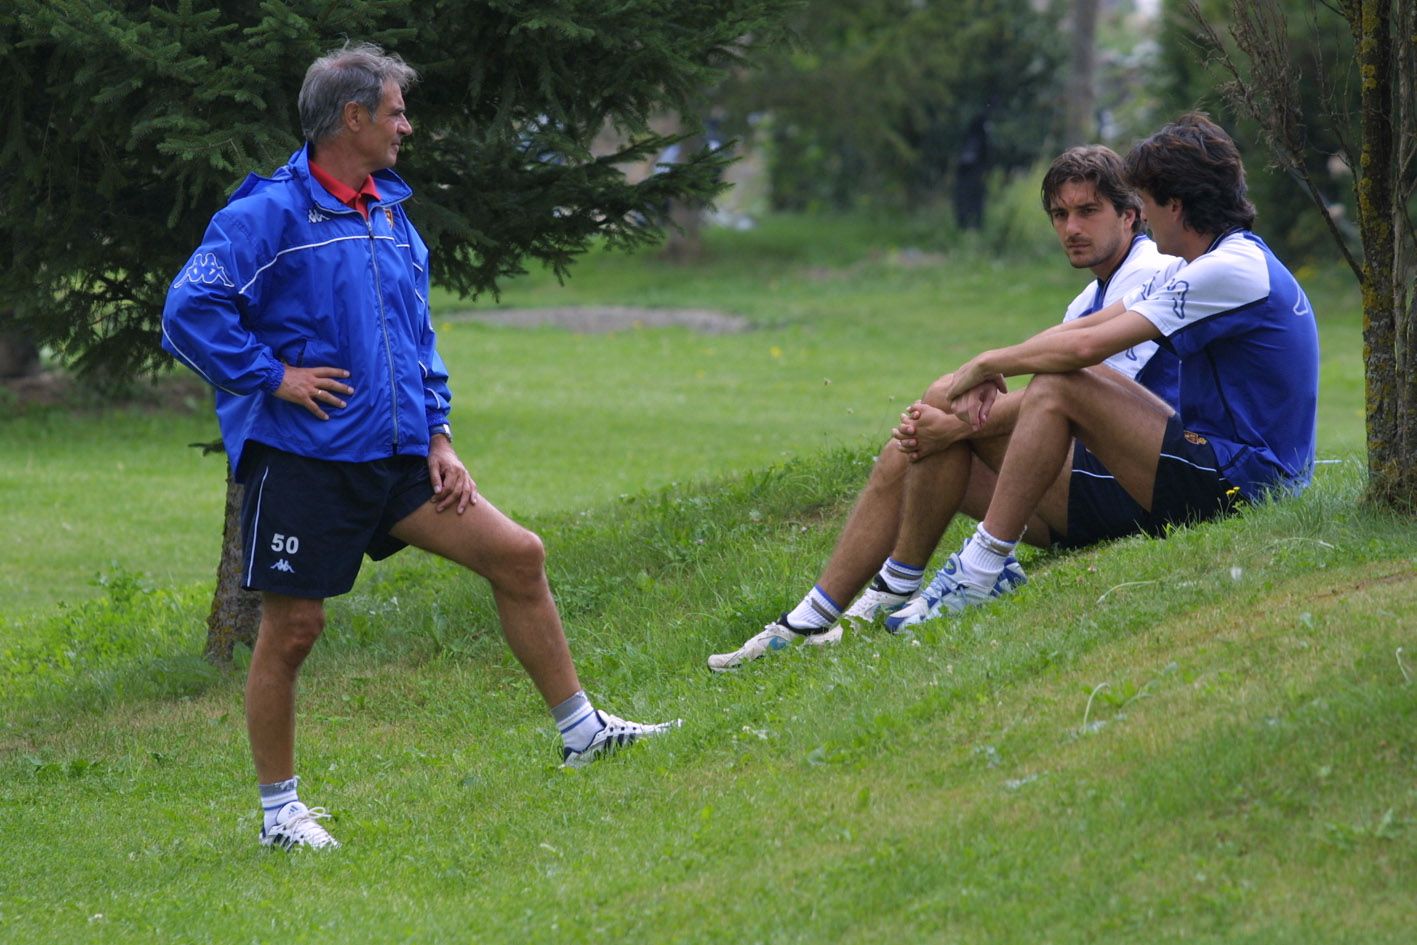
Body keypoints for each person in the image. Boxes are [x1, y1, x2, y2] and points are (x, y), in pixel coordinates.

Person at [162, 43, 678, 851]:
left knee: (519, 556)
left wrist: (439, 434)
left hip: (400, 459)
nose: (409, 124)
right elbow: (187, 310)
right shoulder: (264, 215)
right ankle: (279, 816)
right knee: (293, 632)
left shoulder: (390, 214)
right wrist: (274, 376)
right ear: (353, 117)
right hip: (304, 460)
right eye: (396, 110)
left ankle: (582, 731)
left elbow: (418, 336)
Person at [709, 145, 1180, 670]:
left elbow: (1086, 396)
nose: (1071, 227)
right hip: (1084, 493)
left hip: (1134, 486)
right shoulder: (1086, 300)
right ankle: (814, 614)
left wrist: (953, 425)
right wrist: (952, 416)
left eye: (1088, 211)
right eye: (1060, 215)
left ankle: (883, 591)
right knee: (932, 419)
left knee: (942, 412)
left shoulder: (1151, 272)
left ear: (1130, 214)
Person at [888, 112, 1318, 629]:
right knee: (1059, 380)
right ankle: (950, 573)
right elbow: (1089, 328)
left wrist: (985, 364)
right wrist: (982, 366)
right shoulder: (1218, 263)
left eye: (1147, 202)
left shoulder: (1230, 270)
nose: (1143, 214)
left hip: (1246, 485)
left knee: (1065, 383)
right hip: (1233, 467)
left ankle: (979, 570)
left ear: (1175, 205)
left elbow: (1087, 347)